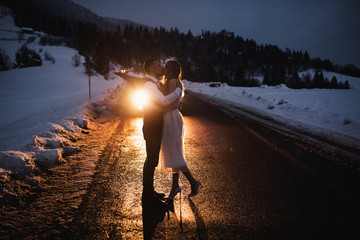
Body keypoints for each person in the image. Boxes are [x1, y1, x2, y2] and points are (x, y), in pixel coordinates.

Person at [141, 59, 183, 206]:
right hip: (152, 127)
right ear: (151, 68)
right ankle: (147, 194)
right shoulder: (149, 85)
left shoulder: (156, 84)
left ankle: (149, 191)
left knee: (152, 160)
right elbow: (164, 102)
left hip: (156, 126)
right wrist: (179, 90)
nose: (161, 67)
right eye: (158, 65)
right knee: (151, 160)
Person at [158, 60, 201, 200]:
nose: (163, 69)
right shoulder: (177, 82)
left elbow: (172, 104)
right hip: (173, 117)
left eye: (165, 67)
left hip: (171, 118)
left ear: (169, 69)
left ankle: (193, 182)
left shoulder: (172, 82)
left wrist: (159, 108)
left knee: (174, 153)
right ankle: (175, 187)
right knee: (173, 152)